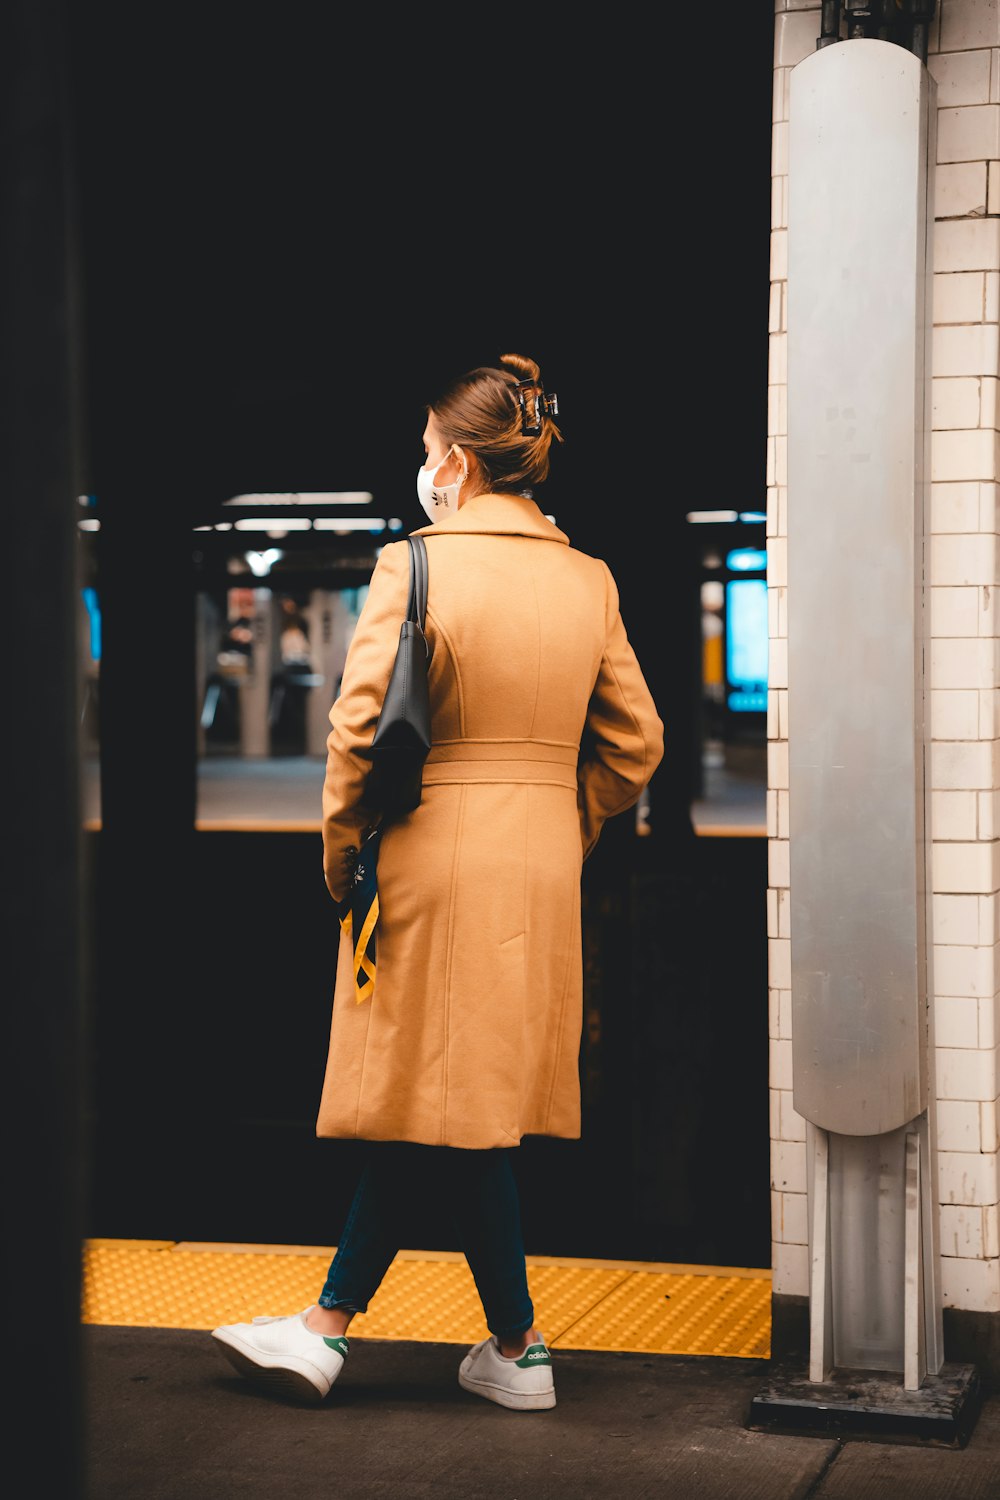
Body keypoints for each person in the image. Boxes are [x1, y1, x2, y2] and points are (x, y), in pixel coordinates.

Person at [211, 352, 665, 1411]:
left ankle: (451, 1342)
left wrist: (341, 860)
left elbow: (356, 737)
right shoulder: (586, 577)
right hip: (539, 864)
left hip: (429, 852)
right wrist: (561, 819)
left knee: (441, 1094)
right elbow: (634, 747)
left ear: (455, 464)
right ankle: (439, 1341)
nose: (422, 468)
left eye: (426, 453)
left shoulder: (410, 567)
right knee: (453, 1096)